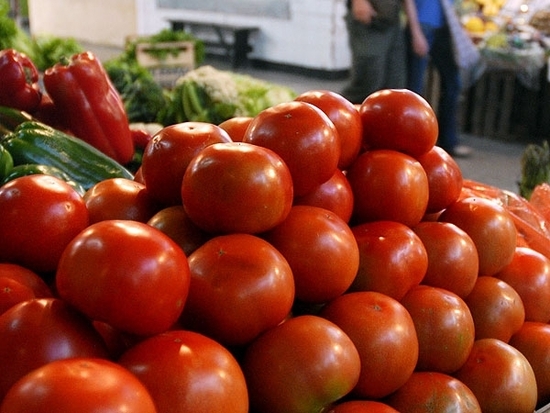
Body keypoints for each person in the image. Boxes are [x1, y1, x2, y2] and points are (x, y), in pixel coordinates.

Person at [405, 0, 473, 157]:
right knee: (414, 91)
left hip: (445, 26)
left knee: (453, 84)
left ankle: (449, 141)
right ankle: (412, 143)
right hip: (422, 24)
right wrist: (415, 31)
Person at [341, 0, 407, 104]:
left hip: (392, 18)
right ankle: (339, 116)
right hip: (370, 18)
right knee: (368, 81)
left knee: (394, 86)